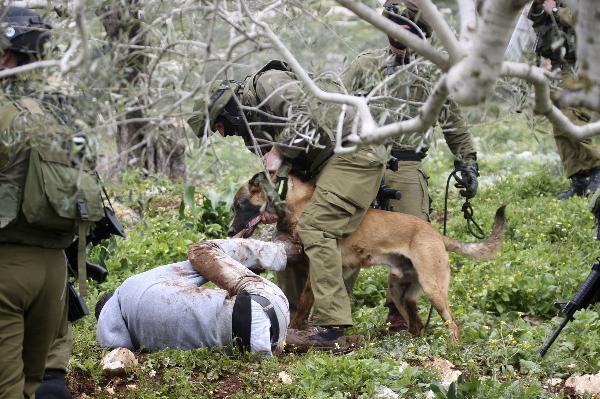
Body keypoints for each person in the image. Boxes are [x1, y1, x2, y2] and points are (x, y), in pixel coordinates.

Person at [188, 61, 387, 347]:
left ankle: (331, 327)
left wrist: (279, 151)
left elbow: (307, 114)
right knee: (287, 236)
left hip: (354, 151)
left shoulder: (269, 83)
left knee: (318, 228)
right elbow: (279, 176)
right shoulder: (252, 129)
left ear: (229, 110)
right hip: (321, 166)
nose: (223, 134)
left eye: (220, 126)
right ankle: (293, 321)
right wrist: (271, 210)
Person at [340, 0, 480, 333]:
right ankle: (333, 314)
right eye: (393, 26)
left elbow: (454, 122)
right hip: (362, 161)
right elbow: (338, 109)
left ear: (422, 32)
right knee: (344, 234)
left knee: (414, 241)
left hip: (407, 165)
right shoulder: (364, 66)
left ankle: (400, 313)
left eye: (408, 28)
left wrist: (468, 162)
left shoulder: (433, 73)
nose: (398, 35)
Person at [0, 6, 104, 399]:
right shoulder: (62, 115)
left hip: (6, 268)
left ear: (6, 55)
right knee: (33, 385)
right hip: (55, 272)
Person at [96, 239, 295, 356]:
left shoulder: (131, 337)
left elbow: (114, 346)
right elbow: (200, 267)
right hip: (269, 302)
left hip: (261, 345)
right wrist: (232, 260)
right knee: (201, 250)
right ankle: (283, 252)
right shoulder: (131, 285)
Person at [528, 0, 600, 199]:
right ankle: (578, 178)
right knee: (559, 124)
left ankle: (596, 170)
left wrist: (556, 10)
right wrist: (537, 9)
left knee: (575, 118)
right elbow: (539, 26)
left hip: (581, 65)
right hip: (558, 67)